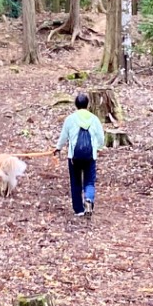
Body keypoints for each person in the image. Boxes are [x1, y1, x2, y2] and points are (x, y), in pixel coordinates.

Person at [55, 90, 106, 218]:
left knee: (76, 182)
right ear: (87, 104)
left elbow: (63, 137)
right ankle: (88, 198)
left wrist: (58, 148)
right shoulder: (94, 119)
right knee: (89, 181)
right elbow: (101, 138)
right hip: (90, 156)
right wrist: (98, 148)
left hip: (74, 157)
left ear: (76, 105)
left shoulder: (70, 119)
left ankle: (79, 210)